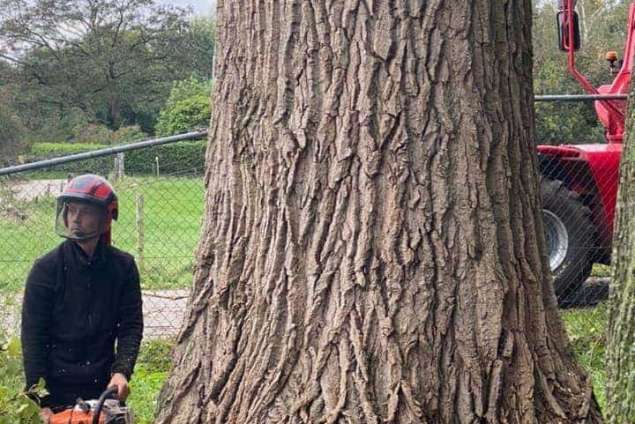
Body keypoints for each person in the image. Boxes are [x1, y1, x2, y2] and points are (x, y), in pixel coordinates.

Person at [21, 174, 143, 422]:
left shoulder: (123, 267)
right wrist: (40, 400)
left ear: (105, 218)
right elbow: (33, 337)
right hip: (56, 387)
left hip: (104, 385)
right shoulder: (46, 269)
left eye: (85, 212)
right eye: (71, 210)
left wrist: (122, 372)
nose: (75, 219)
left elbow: (131, 326)